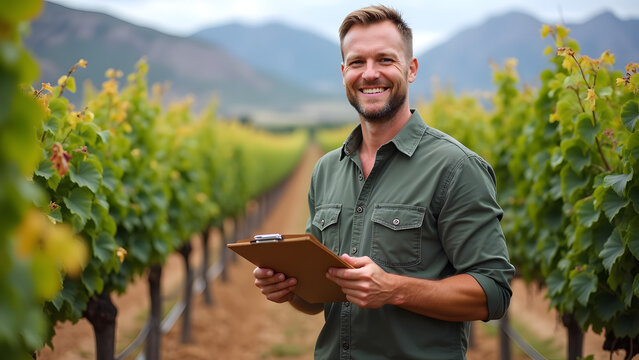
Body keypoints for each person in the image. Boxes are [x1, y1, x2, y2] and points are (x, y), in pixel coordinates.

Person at [253, 5, 514, 359]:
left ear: (411, 68)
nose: (370, 74)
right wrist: (289, 288)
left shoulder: (456, 167)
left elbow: (494, 290)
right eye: (357, 62)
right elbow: (316, 300)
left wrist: (393, 290)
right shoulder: (327, 169)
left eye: (385, 60)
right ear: (343, 72)